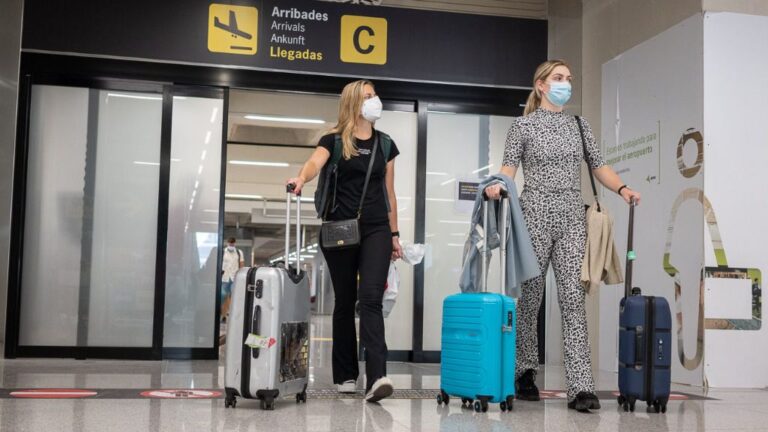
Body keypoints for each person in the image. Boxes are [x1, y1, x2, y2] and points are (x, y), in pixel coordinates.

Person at [485, 60, 642, 412]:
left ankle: (581, 387)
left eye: (569, 79)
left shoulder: (578, 125)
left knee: (574, 299)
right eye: (559, 79)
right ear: (541, 86)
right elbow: (508, 168)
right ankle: (524, 371)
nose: (566, 84)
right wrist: (497, 186)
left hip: (573, 216)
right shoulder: (522, 126)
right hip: (533, 215)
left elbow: (599, 166)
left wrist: (624, 189)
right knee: (529, 300)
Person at [287, 80, 402, 403]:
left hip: (377, 228)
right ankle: (345, 375)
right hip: (340, 229)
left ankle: (377, 376)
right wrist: (300, 178)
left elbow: (390, 193)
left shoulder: (386, 145)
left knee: (370, 299)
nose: (375, 101)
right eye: (368, 96)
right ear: (353, 102)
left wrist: (395, 234)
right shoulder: (334, 140)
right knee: (344, 301)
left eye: (375, 95)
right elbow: (314, 163)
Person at [220, 237, 244, 322]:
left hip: (234, 277)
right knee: (223, 295)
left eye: (233, 244)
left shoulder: (239, 252)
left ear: (235, 243)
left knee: (232, 297)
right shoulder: (223, 252)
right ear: (227, 243)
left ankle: (225, 316)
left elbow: (241, 264)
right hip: (224, 277)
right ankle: (222, 313)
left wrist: (241, 277)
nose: (231, 245)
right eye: (230, 244)